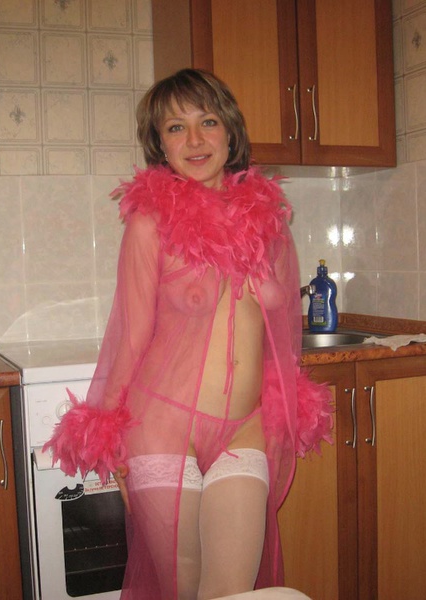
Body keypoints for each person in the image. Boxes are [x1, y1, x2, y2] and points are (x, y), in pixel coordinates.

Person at [44, 68, 333, 600]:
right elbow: (131, 336)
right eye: (176, 128)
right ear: (160, 143)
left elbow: (281, 335)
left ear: (230, 132)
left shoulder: (268, 221)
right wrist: (106, 431)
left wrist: (286, 407)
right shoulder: (149, 224)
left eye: (208, 122)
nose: (195, 140)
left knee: (231, 591)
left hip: (242, 428)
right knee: (182, 588)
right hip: (162, 425)